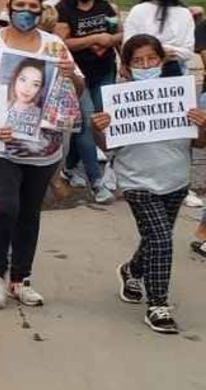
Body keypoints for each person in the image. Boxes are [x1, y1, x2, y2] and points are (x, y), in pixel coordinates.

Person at [0, 0, 82, 310]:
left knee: (29, 214)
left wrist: (68, 74)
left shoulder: (54, 45)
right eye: (21, 5)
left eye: (33, 6)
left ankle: (20, 279)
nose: (27, 11)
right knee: (3, 208)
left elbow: (79, 85)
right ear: (9, 6)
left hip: (43, 148)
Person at [93, 35, 206, 334]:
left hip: (176, 178)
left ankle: (132, 270)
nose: (146, 65)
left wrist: (202, 124)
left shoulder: (182, 94)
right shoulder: (118, 99)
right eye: (137, 61)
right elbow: (107, 146)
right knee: (161, 239)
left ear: (161, 60)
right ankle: (158, 304)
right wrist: (98, 130)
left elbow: (201, 143)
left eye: (151, 60)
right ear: (127, 67)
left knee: (157, 237)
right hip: (136, 180)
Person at [54, 0, 120, 201]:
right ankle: (96, 180)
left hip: (104, 71)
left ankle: (70, 167)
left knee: (100, 122)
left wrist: (112, 41)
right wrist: (93, 39)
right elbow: (62, 42)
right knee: (86, 124)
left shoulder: (107, 7)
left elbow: (119, 33)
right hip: (78, 75)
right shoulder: (64, 10)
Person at [124, 0, 193, 77]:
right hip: (142, 72)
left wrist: (162, 53)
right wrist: (157, 54)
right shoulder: (138, 11)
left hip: (175, 71)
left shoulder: (184, 13)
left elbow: (187, 51)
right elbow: (128, 45)